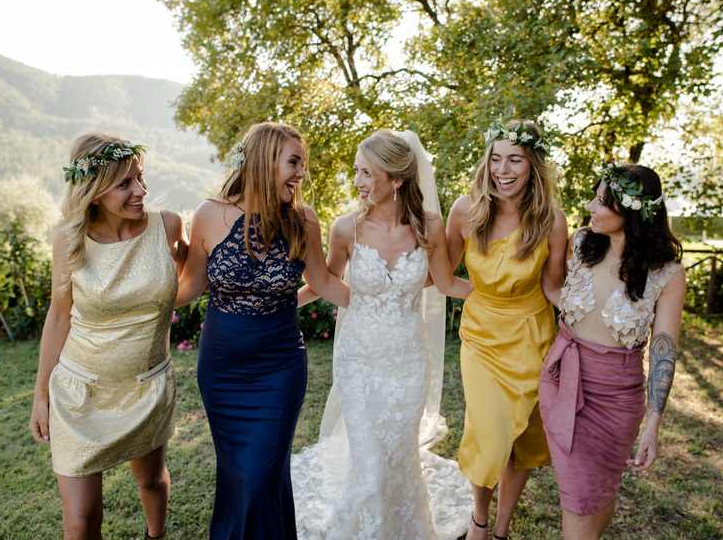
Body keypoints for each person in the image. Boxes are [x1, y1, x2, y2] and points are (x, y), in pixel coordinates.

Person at [292, 129, 475, 540]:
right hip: (359, 359)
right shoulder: (346, 229)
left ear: (397, 179)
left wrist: (501, 296)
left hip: (408, 362)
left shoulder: (429, 225)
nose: (357, 182)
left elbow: (446, 283)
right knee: (370, 460)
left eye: (366, 173)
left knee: (396, 454)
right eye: (356, 172)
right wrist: (278, 304)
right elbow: (326, 280)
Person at [176, 121, 349, 540]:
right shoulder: (209, 214)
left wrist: (387, 304)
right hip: (222, 367)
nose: (301, 174)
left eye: (302, 164)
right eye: (294, 162)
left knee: (260, 473)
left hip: (279, 366)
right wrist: (133, 302)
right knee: (241, 475)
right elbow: (190, 287)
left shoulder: (302, 220)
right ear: (263, 161)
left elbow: (323, 283)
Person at [29, 132, 187, 540]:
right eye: (125, 184)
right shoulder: (68, 238)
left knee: (151, 482)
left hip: (146, 388)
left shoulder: (168, 226)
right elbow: (59, 316)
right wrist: (41, 395)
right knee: (81, 521)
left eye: (140, 177)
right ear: (94, 192)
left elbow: (184, 279)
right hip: (80, 392)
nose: (140, 190)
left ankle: (156, 536)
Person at [538, 163, 685, 540]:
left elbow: (664, 349)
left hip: (619, 399)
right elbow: (554, 289)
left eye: (602, 203)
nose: (590, 207)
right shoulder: (582, 242)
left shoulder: (666, 271)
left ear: (632, 212)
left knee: (601, 488)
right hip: (564, 379)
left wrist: (653, 423)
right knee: (578, 494)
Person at [446, 120, 568, 540]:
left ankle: (501, 528)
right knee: (490, 432)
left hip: (532, 335)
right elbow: (443, 277)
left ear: (532, 165)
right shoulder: (466, 210)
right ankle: (480, 519)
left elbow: (552, 286)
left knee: (521, 439)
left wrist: (591, 320)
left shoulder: (551, 220)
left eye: (514, 159)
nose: (503, 169)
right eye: (495, 159)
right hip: (481, 336)